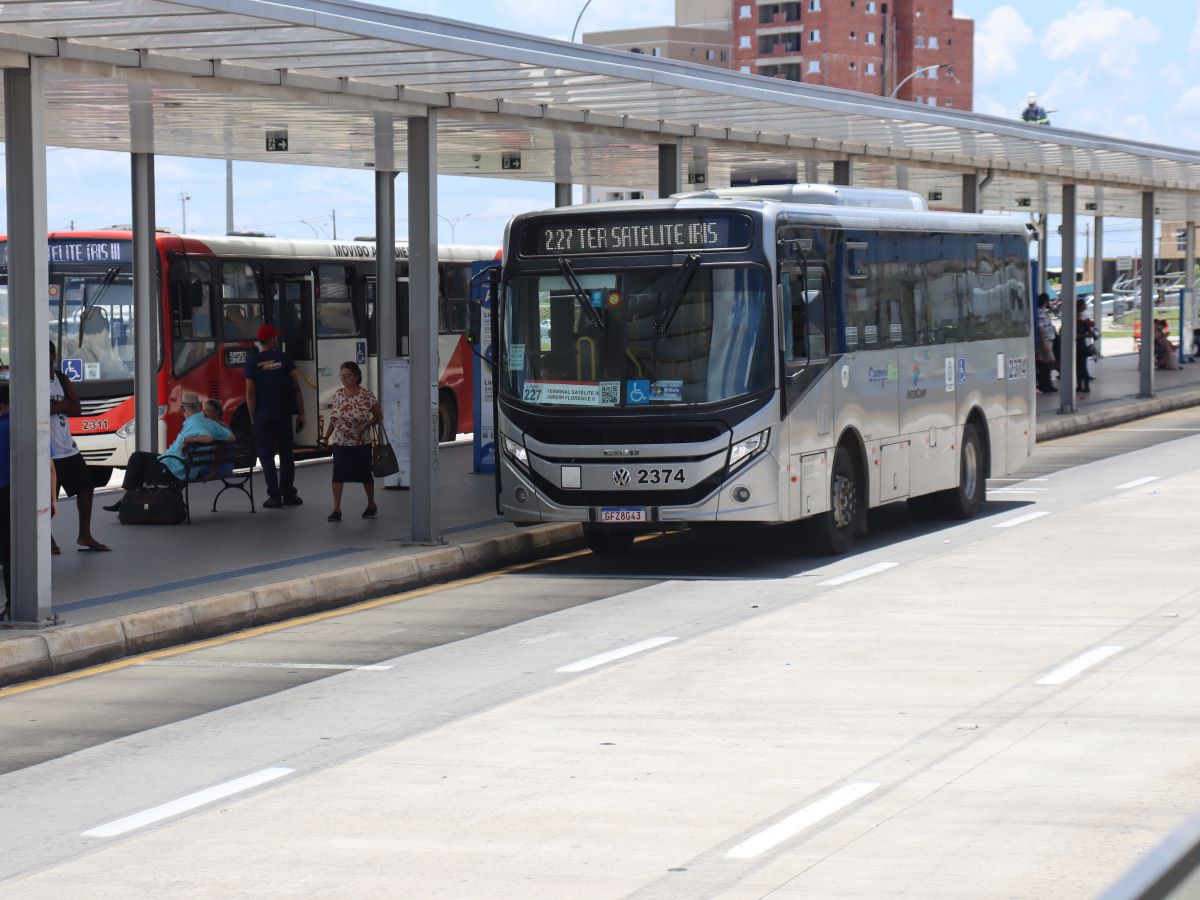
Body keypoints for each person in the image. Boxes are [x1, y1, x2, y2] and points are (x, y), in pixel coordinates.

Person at [103, 396, 234, 509]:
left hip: (175, 470)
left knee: (137, 459)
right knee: (141, 459)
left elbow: (207, 438)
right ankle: (126, 500)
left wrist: (188, 439)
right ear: (199, 407)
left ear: (183, 409)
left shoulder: (195, 422)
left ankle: (126, 500)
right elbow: (231, 437)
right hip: (183, 466)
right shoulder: (210, 423)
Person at [50, 341, 109, 552]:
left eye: (49, 355)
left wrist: (56, 407)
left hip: (68, 447)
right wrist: (64, 405)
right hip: (47, 450)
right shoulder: (32, 379)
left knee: (86, 486)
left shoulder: (62, 379)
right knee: (49, 497)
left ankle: (85, 535)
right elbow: (40, 409)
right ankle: (46, 537)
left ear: (54, 355)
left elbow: (77, 409)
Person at [244, 324, 304, 509]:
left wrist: (253, 418)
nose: (277, 339)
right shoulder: (285, 359)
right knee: (286, 454)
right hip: (283, 414)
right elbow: (296, 388)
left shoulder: (252, 362)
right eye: (275, 337)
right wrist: (301, 413)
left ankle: (274, 496)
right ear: (271, 340)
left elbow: (250, 393)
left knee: (266, 456)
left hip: (263, 415)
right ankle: (288, 493)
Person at [320, 361, 381, 521]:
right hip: (340, 443)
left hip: (361, 443)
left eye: (347, 376)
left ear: (356, 377)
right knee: (338, 474)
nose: (344, 379)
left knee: (365, 474)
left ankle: (371, 504)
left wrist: (366, 424)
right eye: (342, 376)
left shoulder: (367, 396)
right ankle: (336, 509)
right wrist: (326, 437)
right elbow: (334, 419)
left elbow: (378, 416)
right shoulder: (338, 394)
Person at [1035, 293, 1058, 393]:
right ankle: (1045, 384)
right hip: (1045, 341)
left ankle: (1046, 384)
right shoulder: (1040, 312)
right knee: (1049, 362)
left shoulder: (1043, 312)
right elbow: (1040, 328)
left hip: (1048, 340)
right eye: (1048, 300)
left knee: (1046, 363)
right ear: (1045, 301)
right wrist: (1043, 342)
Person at [0, 382, 10, 620]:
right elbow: (48, 466)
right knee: (13, 552)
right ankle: (12, 604)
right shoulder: (22, 424)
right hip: (14, 495)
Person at [1075, 299, 1096, 393]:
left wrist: (1084, 335)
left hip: (1081, 346)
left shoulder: (1082, 323)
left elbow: (1092, 334)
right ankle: (1080, 386)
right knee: (1078, 367)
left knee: (1082, 367)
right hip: (1078, 346)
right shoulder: (1076, 323)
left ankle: (1085, 386)